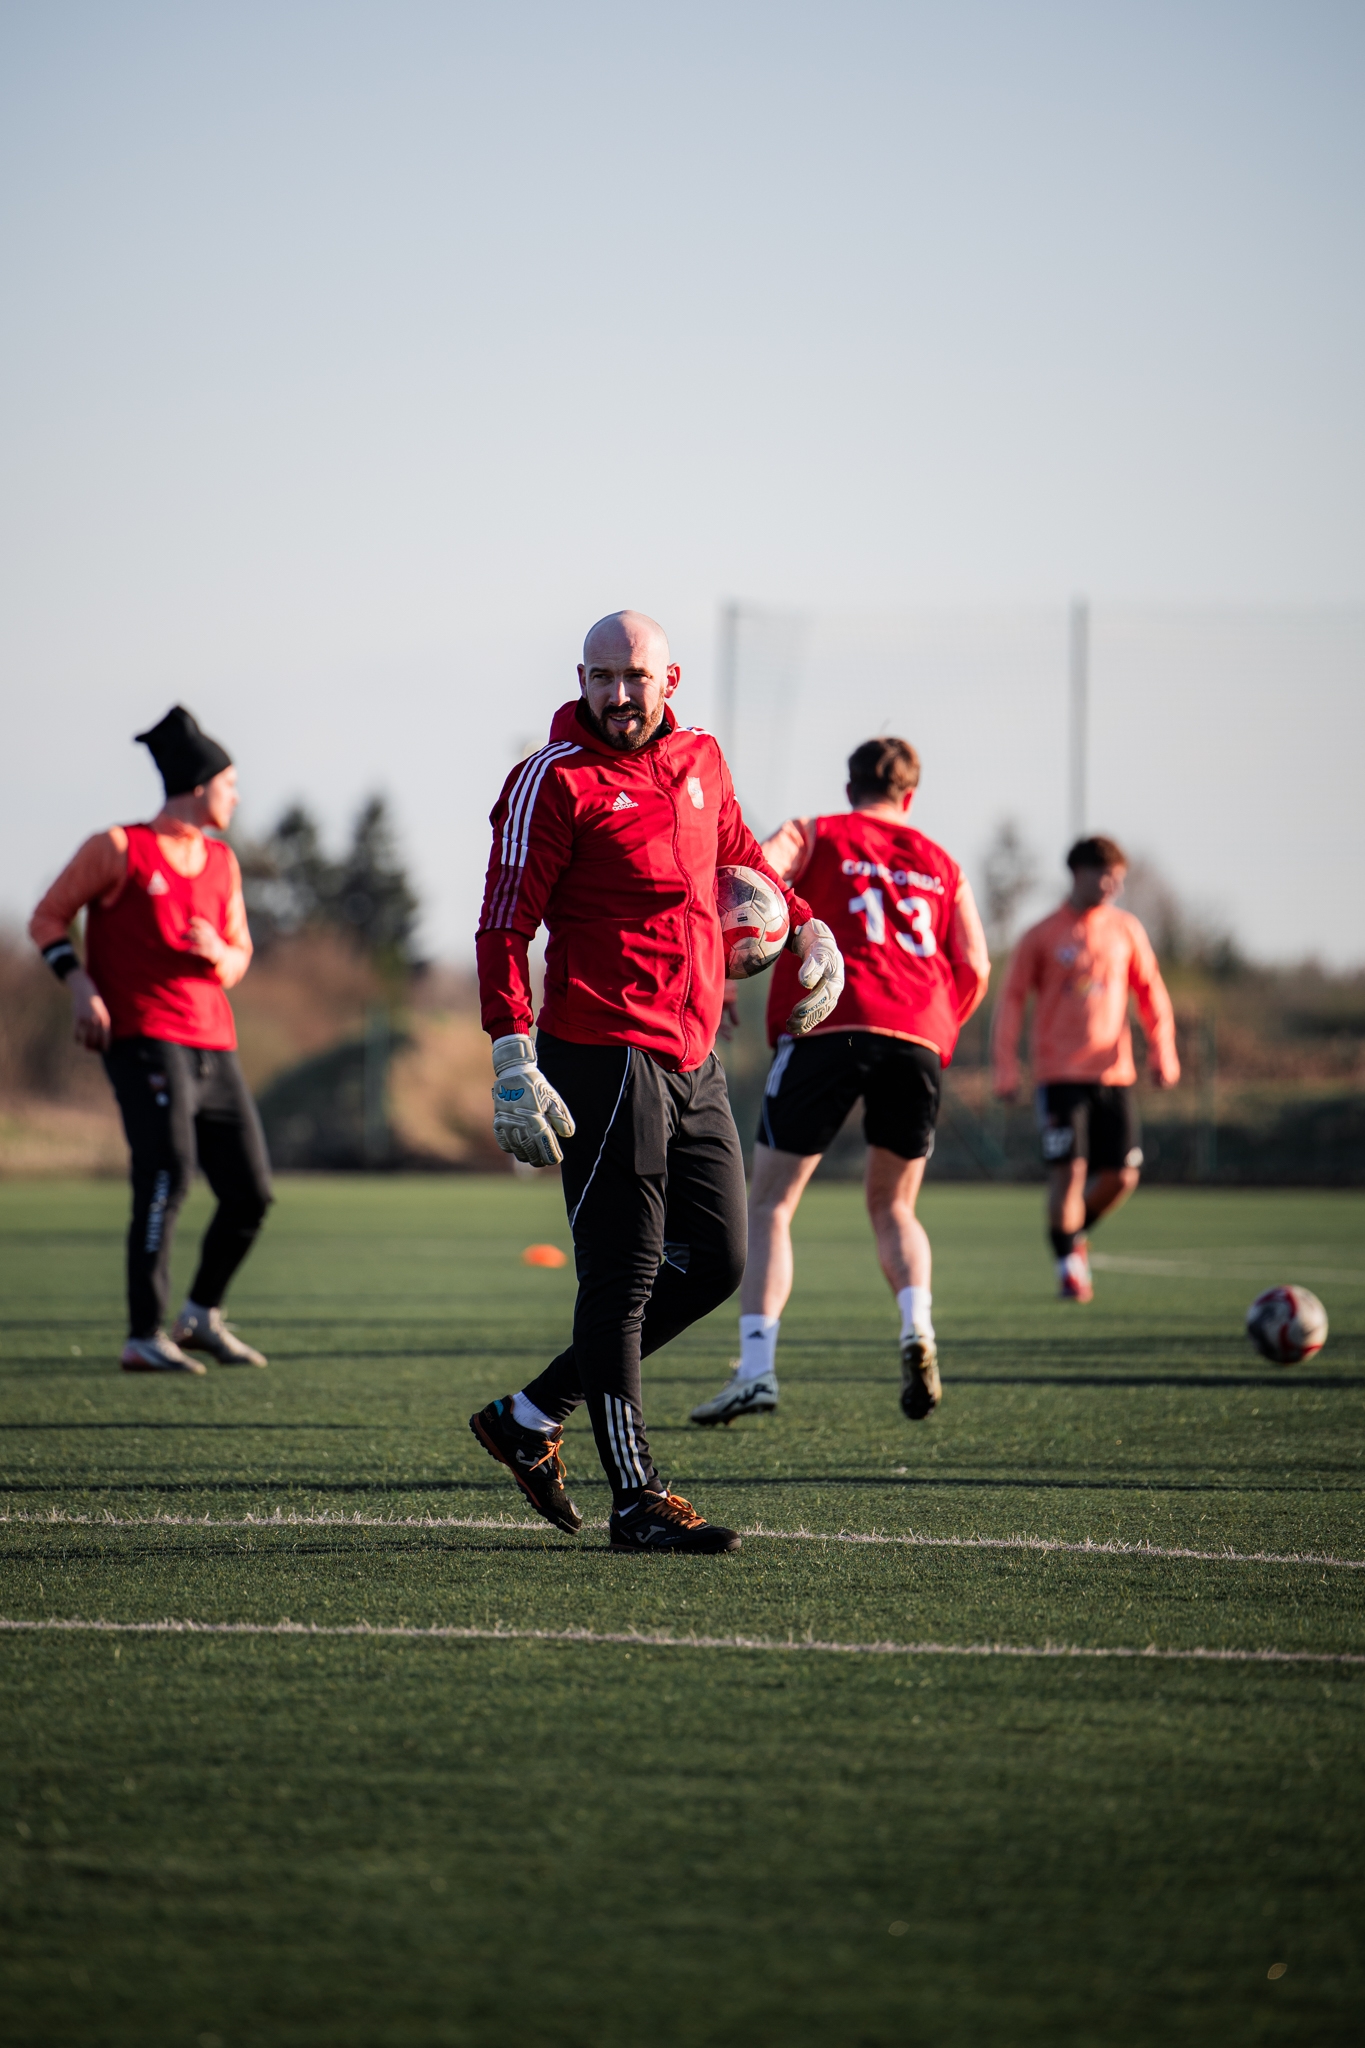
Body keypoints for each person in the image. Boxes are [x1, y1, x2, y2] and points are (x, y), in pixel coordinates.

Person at [467, 610, 844, 1553]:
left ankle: (529, 1416)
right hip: (599, 1051)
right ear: (581, 680)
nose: (618, 694)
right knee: (624, 1272)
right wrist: (511, 1051)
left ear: (668, 681)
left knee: (716, 1261)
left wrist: (807, 923)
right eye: (601, 677)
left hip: (692, 1053)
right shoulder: (552, 781)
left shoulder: (700, 758)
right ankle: (636, 1497)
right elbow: (504, 924)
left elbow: (741, 857)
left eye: (634, 676)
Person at [690, 737, 990, 1428]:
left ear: (850, 787)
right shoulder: (944, 864)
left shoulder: (817, 832)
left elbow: (745, 878)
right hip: (918, 1035)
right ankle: (917, 1328)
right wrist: (937, 1027)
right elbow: (973, 964)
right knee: (894, 1207)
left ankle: (757, 1369)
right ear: (910, 797)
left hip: (827, 1021)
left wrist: (721, 972)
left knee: (771, 1203)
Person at [29, 706, 272, 1372]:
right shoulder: (117, 847)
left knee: (251, 1192)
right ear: (198, 784)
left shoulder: (221, 861)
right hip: (143, 1036)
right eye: (229, 784)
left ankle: (200, 1316)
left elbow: (240, 955)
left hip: (214, 1042)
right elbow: (47, 918)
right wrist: (80, 984)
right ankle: (143, 1334)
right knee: (167, 1172)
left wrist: (219, 951)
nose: (236, 797)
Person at [991, 834, 1180, 1301]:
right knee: (1069, 1173)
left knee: (1122, 1176)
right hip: (1059, 1076)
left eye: (1119, 878)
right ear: (1079, 873)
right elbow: (1011, 1000)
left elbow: (1151, 992)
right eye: (1107, 876)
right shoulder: (1041, 934)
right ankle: (1068, 1267)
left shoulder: (1126, 930)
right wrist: (1006, 1067)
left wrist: (1163, 1051)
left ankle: (1070, 1236)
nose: (1115, 886)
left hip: (1114, 1073)